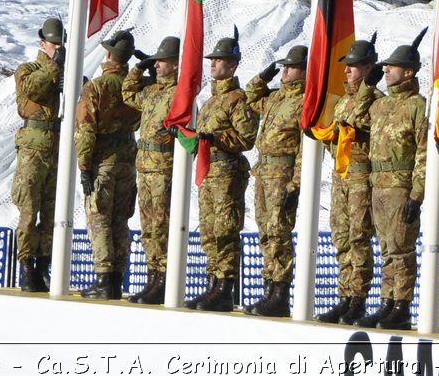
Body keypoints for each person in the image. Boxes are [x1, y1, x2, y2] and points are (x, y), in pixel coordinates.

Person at [186, 32, 257, 312]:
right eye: (212, 59)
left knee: (225, 231)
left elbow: (246, 138)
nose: (213, 64)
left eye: (219, 60)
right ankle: (212, 284)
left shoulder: (238, 100)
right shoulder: (210, 102)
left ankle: (224, 287)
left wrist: (215, 139)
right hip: (209, 171)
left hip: (227, 172)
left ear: (233, 65)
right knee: (209, 230)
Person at [315, 37, 382, 325]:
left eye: (353, 66)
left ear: (368, 68)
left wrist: (355, 132)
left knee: (358, 236)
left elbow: (377, 138)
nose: (347, 71)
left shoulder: (377, 101)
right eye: (347, 66)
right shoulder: (343, 102)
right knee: (341, 236)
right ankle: (344, 295)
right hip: (341, 175)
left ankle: (358, 298)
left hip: (361, 176)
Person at [362, 37, 427, 331]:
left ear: (409, 72)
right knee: (386, 250)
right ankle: (387, 301)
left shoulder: (417, 106)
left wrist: (417, 193)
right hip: (378, 184)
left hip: (401, 185)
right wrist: (367, 86)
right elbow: (352, 114)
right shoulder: (380, 105)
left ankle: (401, 305)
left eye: (393, 67)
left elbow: (424, 151)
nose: (386, 70)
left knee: (401, 249)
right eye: (385, 66)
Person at [76, 30, 141, 300]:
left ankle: (103, 278)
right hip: (128, 158)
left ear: (108, 54)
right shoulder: (135, 86)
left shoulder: (97, 87)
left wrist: (84, 166)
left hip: (102, 161)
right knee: (120, 221)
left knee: (99, 220)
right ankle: (117, 278)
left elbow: (86, 130)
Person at [243, 44, 306, 318]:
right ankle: (269, 286)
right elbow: (250, 96)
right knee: (265, 233)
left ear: (304, 71)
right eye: (284, 66)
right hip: (264, 172)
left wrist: (296, 183)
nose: (285, 70)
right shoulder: (277, 97)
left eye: (290, 67)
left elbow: (305, 148)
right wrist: (263, 76)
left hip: (282, 174)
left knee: (279, 232)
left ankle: (280, 291)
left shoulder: (304, 101)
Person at [121, 35, 181, 305]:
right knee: (147, 227)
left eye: (161, 61)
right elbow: (128, 94)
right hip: (144, 168)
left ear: (177, 64)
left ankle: (163, 278)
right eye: (155, 62)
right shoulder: (153, 90)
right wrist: (139, 68)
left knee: (160, 226)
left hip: (163, 168)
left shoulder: (180, 94)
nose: (157, 66)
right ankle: (152, 276)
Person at [11, 17, 64, 292]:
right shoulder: (29, 70)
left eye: (60, 44)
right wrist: (53, 66)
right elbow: (32, 90)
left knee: (52, 212)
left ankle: (44, 265)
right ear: (42, 43)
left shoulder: (62, 71)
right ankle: (25, 264)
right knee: (29, 211)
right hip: (33, 148)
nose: (57, 48)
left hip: (56, 148)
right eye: (53, 44)